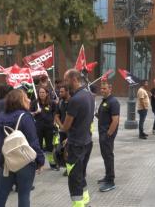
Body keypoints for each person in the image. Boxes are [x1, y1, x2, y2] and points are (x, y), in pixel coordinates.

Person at [0, 89, 45, 207]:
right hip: (24, 163)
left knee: (1, 195)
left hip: (5, 163)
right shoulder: (25, 117)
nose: (29, 99)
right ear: (21, 101)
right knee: (24, 195)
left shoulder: (0, 116)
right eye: (26, 98)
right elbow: (34, 142)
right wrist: (40, 161)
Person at [62, 69, 95, 207]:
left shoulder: (75, 100)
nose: (64, 83)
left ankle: (79, 204)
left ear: (74, 79)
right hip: (87, 141)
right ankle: (86, 201)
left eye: (66, 80)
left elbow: (66, 126)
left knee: (74, 178)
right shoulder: (89, 95)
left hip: (76, 145)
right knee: (80, 174)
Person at [96, 81, 120, 192]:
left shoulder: (113, 102)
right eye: (101, 88)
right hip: (102, 133)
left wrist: (108, 134)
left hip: (107, 135)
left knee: (108, 156)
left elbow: (115, 120)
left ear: (110, 89)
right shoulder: (104, 101)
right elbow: (103, 116)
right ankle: (107, 176)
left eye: (104, 88)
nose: (102, 90)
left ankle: (111, 181)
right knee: (105, 156)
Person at [31, 87, 58, 170]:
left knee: (50, 146)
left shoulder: (52, 103)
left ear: (47, 93)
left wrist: (54, 122)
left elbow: (56, 113)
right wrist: (35, 112)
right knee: (37, 146)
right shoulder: (35, 103)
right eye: (40, 92)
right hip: (38, 127)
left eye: (43, 92)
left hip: (49, 128)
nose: (41, 94)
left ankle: (52, 164)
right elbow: (29, 113)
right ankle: (38, 163)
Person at [54, 85, 71, 176]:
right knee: (64, 150)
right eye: (59, 92)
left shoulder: (73, 102)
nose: (60, 93)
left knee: (70, 150)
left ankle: (76, 169)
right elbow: (56, 116)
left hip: (72, 131)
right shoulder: (60, 103)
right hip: (63, 131)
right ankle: (68, 168)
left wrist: (67, 128)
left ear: (67, 91)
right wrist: (62, 126)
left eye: (62, 92)